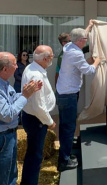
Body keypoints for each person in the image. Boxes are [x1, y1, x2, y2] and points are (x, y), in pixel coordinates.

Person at [56, 20, 101, 172]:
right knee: (68, 127)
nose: (86, 41)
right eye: (85, 40)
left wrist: (89, 26)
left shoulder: (69, 46)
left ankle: (66, 150)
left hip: (65, 93)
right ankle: (64, 160)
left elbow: (81, 35)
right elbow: (89, 71)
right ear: (80, 41)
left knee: (66, 125)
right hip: (68, 95)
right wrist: (97, 62)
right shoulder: (76, 53)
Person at [0, 52, 42, 185]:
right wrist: (24, 96)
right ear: (5, 69)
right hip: (3, 137)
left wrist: (27, 92)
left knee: (11, 174)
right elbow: (7, 115)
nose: (17, 67)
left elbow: (11, 100)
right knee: (4, 177)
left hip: (8, 136)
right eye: (14, 64)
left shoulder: (5, 84)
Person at [20, 45, 56, 185]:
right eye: (51, 56)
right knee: (34, 156)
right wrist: (49, 121)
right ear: (45, 58)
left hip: (32, 118)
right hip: (37, 120)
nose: (52, 58)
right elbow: (38, 107)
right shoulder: (36, 75)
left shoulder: (32, 67)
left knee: (33, 154)